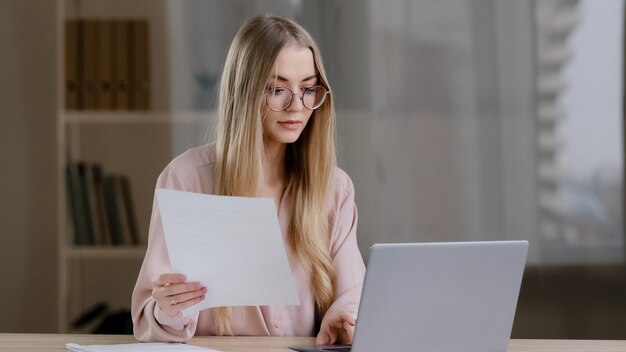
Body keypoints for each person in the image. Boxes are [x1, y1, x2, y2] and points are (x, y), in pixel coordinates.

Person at [131, 14, 365, 344]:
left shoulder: (334, 189)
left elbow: (352, 294)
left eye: (308, 89)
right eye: (277, 89)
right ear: (245, 92)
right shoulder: (186, 179)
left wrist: (345, 318)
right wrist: (169, 307)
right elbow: (150, 322)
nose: (296, 106)